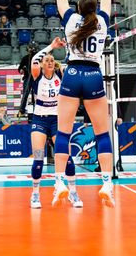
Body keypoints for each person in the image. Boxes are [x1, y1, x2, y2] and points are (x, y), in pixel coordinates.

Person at [53, 0, 115, 207]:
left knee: (63, 132)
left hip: (72, 74)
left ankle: (59, 183)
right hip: (93, 76)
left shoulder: (71, 20)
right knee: (102, 133)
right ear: (95, 8)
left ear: (78, 8)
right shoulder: (101, 21)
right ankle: (107, 184)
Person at [29, 37, 82, 209]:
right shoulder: (37, 75)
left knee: (66, 157)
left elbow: (73, 65)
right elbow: (34, 59)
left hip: (57, 121)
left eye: (52, 60)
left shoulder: (60, 74)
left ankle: (73, 192)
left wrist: (69, 47)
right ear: (42, 64)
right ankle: (35, 194)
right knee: (38, 158)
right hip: (39, 119)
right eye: (47, 60)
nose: (50, 62)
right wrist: (52, 46)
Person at [18, 42, 37, 115]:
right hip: (27, 78)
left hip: (37, 79)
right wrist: (21, 70)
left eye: (32, 48)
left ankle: (39, 109)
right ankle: (22, 110)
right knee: (25, 94)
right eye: (30, 48)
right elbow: (20, 68)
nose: (31, 49)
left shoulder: (39, 58)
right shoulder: (25, 58)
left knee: (39, 94)